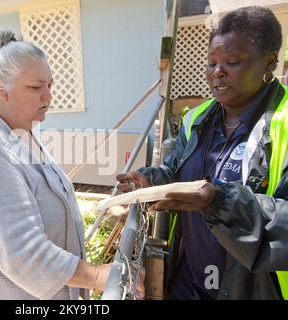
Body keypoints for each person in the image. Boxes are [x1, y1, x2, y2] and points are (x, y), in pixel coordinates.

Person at [117, 6, 288, 300]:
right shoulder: (196, 119)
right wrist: (150, 181)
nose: (217, 72)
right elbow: (176, 169)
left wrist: (218, 200)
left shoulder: (283, 123)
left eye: (232, 62)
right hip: (188, 282)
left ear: (269, 64)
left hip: (253, 289)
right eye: (211, 63)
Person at [0, 29, 113, 299]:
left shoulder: (19, 131)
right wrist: (98, 276)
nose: (48, 97)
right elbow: (24, 252)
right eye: (35, 87)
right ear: (1, 90)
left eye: (50, 86)